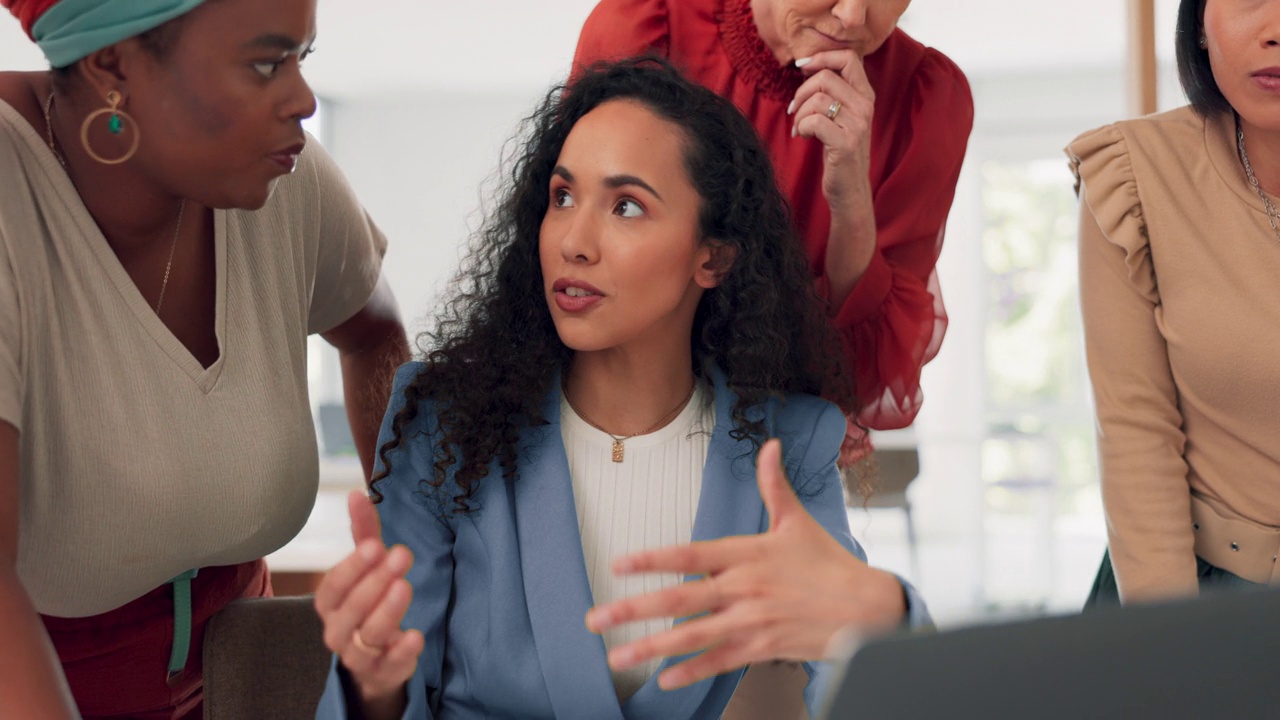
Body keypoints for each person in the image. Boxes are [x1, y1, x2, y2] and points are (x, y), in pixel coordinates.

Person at [313, 57, 925, 720]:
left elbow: (862, 687)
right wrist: (371, 686)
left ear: (712, 257)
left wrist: (885, 612)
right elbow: (391, 686)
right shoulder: (444, 422)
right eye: (562, 197)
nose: (574, 241)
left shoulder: (790, 443)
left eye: (626, 206)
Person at [0, 0, 409, 716]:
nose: (303, 100)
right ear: (111, 65)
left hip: (240, 681)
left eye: (301, 59)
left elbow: (375, 336)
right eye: (264, 64)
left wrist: (417, 575)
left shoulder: (286, 177)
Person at [573, 0, 973, 466]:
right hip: (614, 429)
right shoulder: (647, 24)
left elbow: (863, 374)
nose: (853, 17)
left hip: (775, 460)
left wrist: (851, 201)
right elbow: (578, 253)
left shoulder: (923, 101)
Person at [1069, 0, 1280, 606]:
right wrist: (1170, 664)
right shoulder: (1135, 176)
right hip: (1190, 593)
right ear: (1202, 26)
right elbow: (1136, 433)